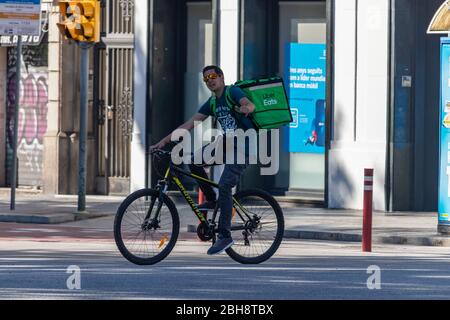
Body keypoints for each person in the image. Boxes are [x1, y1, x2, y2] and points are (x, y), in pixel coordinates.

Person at [150, 65, 256, 255]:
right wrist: (162, 142)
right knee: (194, 161)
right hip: (228, 145)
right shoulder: (213, 103)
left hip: (245, 147)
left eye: (213, 76)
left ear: (221, 77)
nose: (210, 81)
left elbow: (249, 104)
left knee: (224, 185)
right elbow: (189, 125)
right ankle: (211, 199)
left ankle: (225, 236)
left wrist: (246, 107)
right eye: (206, 79)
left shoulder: (232, 91)